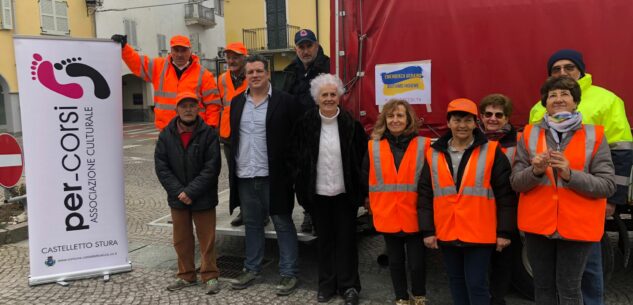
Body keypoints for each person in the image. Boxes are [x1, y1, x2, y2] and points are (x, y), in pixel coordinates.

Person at [528, 49, 632, 305]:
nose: (563, 72)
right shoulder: (536, 109)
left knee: (590, 269)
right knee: (550, 280)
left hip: (586, 203)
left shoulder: (606, 100)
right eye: (556, 69)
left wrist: (613, 199)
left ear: (581, 70)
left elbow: (621, 152)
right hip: (547, 210)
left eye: (569, 67)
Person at [511, 76, 616, 305]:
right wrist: (535, 171)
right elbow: (516, 182)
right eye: (552, 95)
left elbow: (607, 185)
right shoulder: (529, 134)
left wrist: (570, 175)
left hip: (577, 226)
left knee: (569, 289)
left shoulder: (595, 135)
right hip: (538, 227)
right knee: (543, 288)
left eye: (565, 94)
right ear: (545, 103)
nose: (558, 99)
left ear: (576, 102)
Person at [420, 98, 517, 305]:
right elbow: (425, 195)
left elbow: (505, 196)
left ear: (475, 123)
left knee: (476, 283)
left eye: (467, 120)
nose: (462, 125)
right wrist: (428, 231)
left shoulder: (491, 151)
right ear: (449, 123)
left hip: (480, 232)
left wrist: (504, 232)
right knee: (456, 281)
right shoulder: (433, 153)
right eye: (457, 120)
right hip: (447, 230)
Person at [228, 54, 302, 295]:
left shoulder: (286, 102)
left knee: (282, 223)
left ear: (268, 74)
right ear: (246, 76)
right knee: (252, 224)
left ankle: (289, 273)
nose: (255, 75)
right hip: (246, 176)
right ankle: (252, 268)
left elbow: (296, 140)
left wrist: (291, 171)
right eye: (250, 72)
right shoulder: (237, 102)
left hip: (275, 176)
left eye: (259, 71)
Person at [289, 73, 366, 305]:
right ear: (316, 98)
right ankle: (326, 285)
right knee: (324, 241)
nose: (330, 98)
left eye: (333, 94)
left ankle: (349, 286)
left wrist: (362, 193)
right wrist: (302, 190)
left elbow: (362, 161)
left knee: (347, 241)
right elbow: (295, 159)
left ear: (340, 97)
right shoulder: (305, 124)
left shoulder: (351, 124)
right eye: (325, 95)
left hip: (345, 194)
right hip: (318, 194)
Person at [154, 91, 221, 294]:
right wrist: (179, 192)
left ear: (198, 108)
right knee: (181, 239)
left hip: (203, 196)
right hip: (178, 198)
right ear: (177, 109)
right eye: (184, 106)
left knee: (207, 239)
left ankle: (210, 276)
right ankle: (186, 276)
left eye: (192, 105)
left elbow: (212, 167)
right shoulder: (166, 134)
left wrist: (191, 191)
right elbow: (161, 167)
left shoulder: (208, 133)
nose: (188, 109)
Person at [364, 99, 431, 305]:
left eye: (400, 115)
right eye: (391, 116)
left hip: (415, 215)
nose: (395, 120)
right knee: (395, 262)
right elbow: (365, 177)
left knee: (417, 264)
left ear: (408, 119)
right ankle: (400, 299)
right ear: (384, 119)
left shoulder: (424, 145)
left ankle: (419, 298)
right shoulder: (373, 146)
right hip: (388, 214)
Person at [111, 34, 221, 130]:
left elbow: (213, 105)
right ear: (171, 51)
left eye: (183, 50)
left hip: (195, 130)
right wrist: (125, 48)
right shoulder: (158, 67)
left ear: (190, 51)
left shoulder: (204, 74)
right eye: (176, 50)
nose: (179, 54)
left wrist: (210, 127)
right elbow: (137, 63)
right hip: (166, 129)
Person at [280, 28, 331, 233]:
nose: (305, 50)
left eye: (309, 45)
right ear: (296, 49)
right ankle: (308, 211)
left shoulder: (329, 66)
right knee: (301, 177)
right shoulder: (291, 71)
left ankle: (322, 215)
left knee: (322, 176)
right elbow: (284, 100)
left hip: (323, 132)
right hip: (299, 135)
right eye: (301, 47)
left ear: (316, 46)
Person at [478, 94, 520, 305]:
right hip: (479, 211)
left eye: (498, 115)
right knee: (481, 262)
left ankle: (497, 299)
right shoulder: (472, 140)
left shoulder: (519, 142)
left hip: (508, 210)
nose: (492, 118)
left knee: (504, 262)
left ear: (507, 118)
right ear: (481, 116)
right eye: (488, 114)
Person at [217, 42, 249, 227]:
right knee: (234, 174)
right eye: (229, 57)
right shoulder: (221, 79)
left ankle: (261, 212)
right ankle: (243, 210)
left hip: (248, 133)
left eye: (236, 56)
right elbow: (217, 104)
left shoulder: (253, 76)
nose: (231, 60)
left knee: (253, 175)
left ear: (244, 58)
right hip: (228, 135)